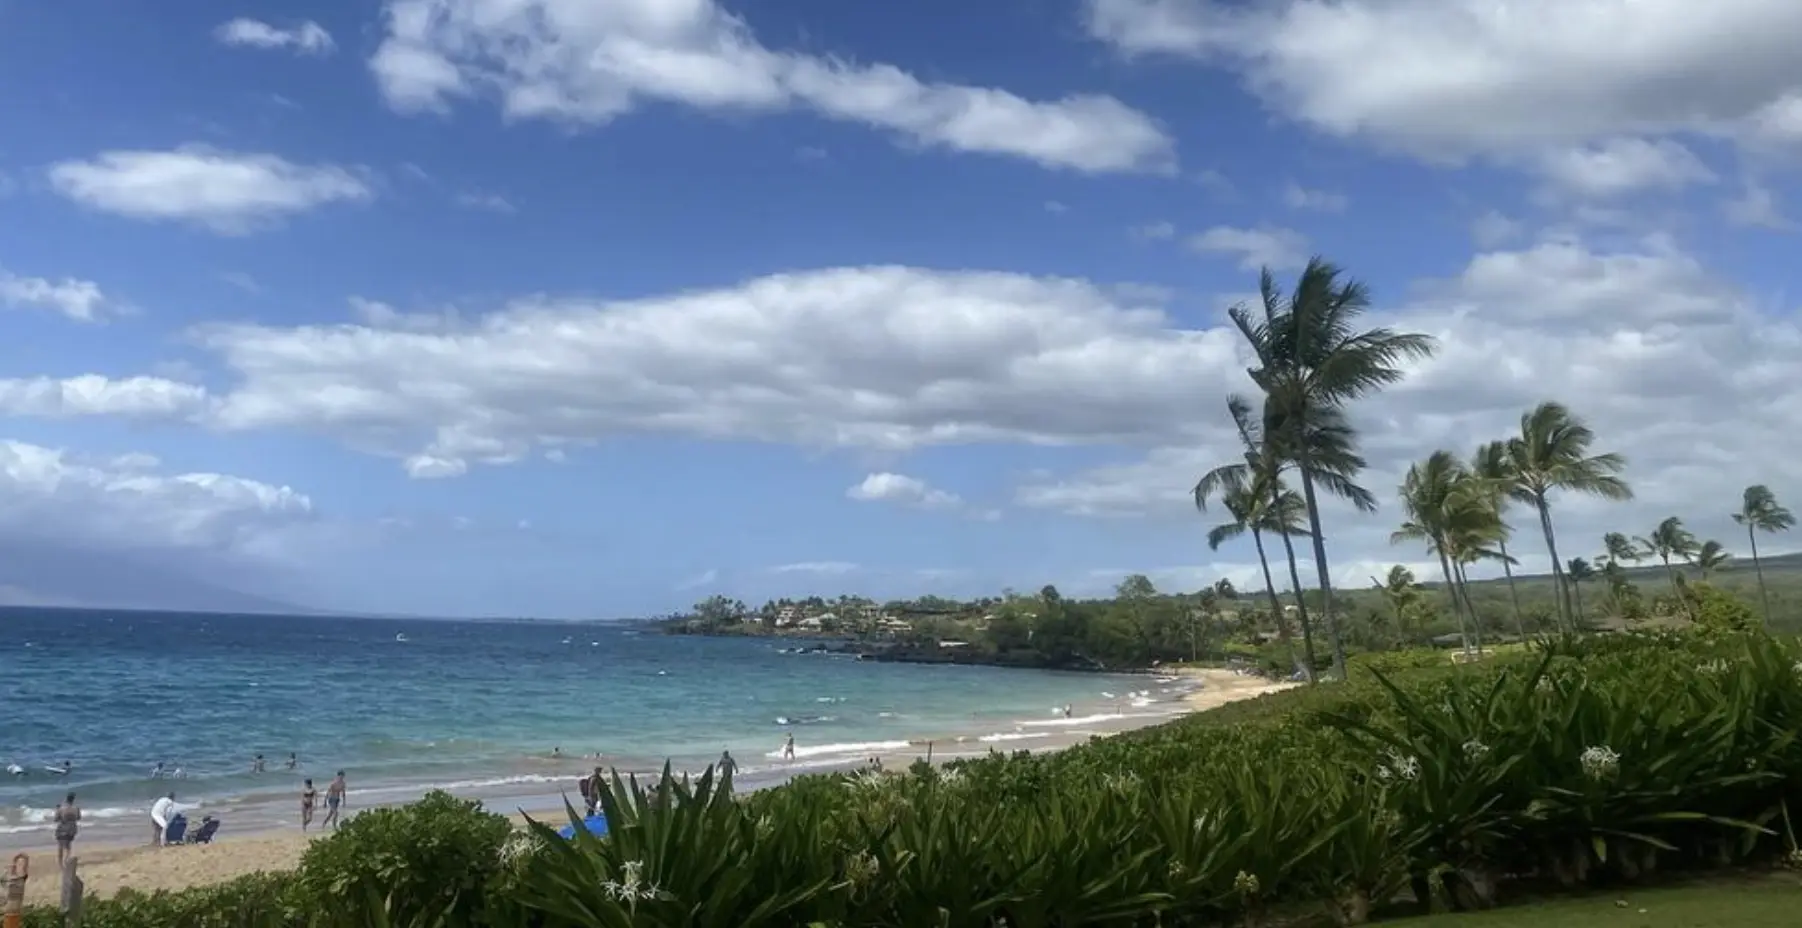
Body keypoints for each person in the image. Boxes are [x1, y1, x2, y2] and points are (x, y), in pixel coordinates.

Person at [54, 791, 81, 865]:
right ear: (73, 799)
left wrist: (57, 810)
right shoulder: (76, 808)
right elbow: (78, 818)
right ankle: (67, 860)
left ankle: (60, 863)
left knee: (60, 846)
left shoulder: (61, 809)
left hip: (62, 828)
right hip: (72, 829)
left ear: (66, 799)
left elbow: (56, 819)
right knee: (68, 846)